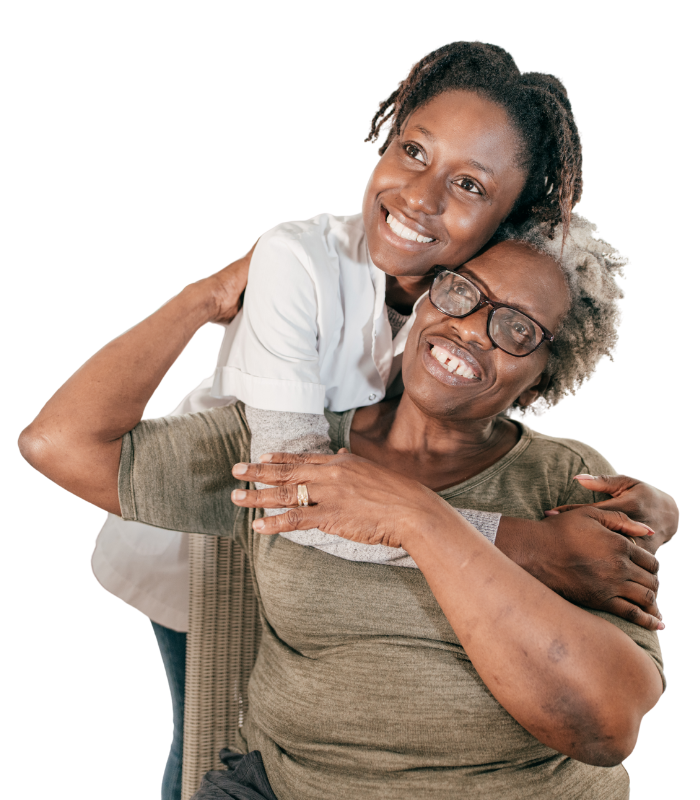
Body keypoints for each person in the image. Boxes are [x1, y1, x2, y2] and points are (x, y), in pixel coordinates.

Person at [89, 42, 676, 796]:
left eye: (469, 183)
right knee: (199, 727)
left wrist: (659, 508)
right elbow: (299, 492)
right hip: (209, 518)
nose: (423, 198)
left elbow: (606, 719)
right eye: (414, 151)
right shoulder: (302, 262)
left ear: (504, 225)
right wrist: (507, 539)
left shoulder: (541, 436)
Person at [19, 214, 671, 798]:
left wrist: (417, 518)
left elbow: (604, 727)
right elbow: (60, 444)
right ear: (427, 295)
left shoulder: (570, 479)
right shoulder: (289, 443)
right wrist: (204, 297)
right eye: (461, 291)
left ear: (543, 379)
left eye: (517, 329)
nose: (471, 328)